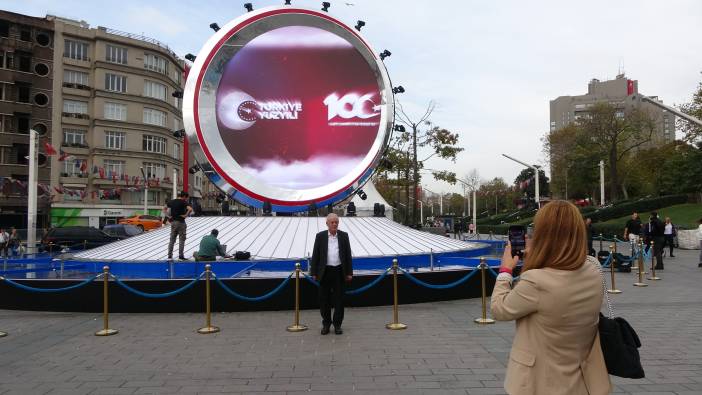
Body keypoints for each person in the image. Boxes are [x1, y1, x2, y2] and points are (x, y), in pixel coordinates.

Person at [491, 200, 610, 395]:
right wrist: (537, 258)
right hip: (582, 381)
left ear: (543, 235)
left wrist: (505, 270)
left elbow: (499, 309)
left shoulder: (537, 281)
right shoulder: (594, 268)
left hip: (540, 383)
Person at [310, 213, 353, 335]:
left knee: (339, 300)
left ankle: (337, 325)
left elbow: (348, 255)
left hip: (339, 271)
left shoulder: (344, 236)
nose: (334, 224)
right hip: (325, 272)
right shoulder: (320, 236)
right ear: (327, 223)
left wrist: (349, 272)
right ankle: (326, 324)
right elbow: (315, 255)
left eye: (336, 222)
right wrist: (314, 272)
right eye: (332, 222)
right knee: (324, 300)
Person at [167, 191, 193, 260]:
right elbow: (190, 209)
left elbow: (164, 209)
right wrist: (185, 215)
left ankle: (169, 256)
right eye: (186, 198)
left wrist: (168, 216)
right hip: (181, 222)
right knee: (181, 240)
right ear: (184, 196)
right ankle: (181, 256)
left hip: (173, 222)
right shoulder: (183, 202)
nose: (186, 199)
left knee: (172, 239)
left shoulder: (171, 202)